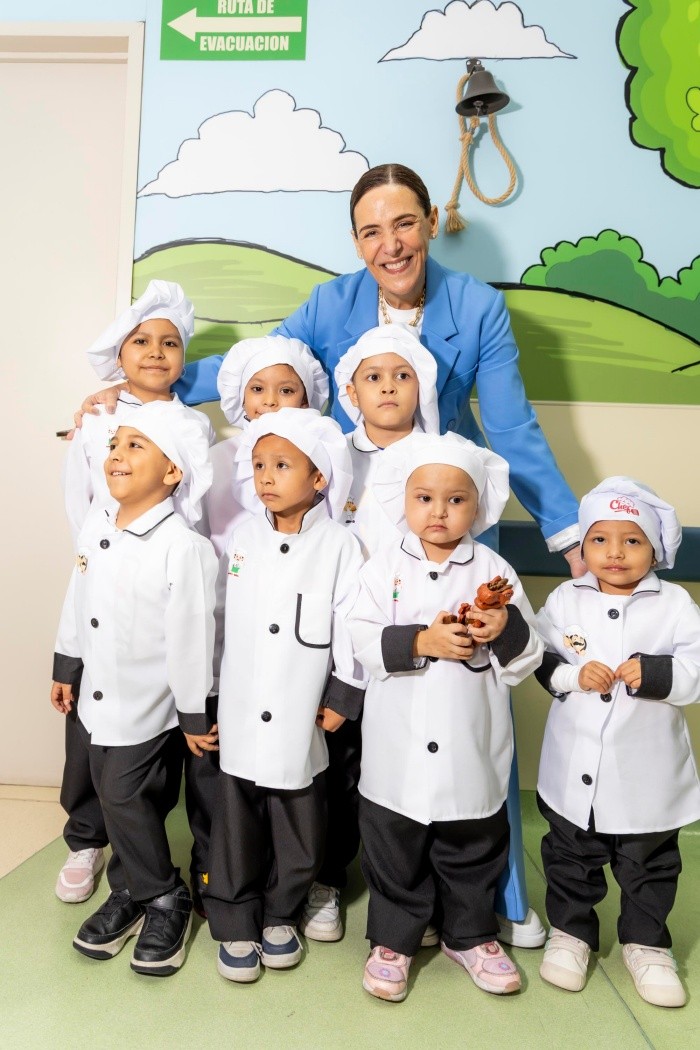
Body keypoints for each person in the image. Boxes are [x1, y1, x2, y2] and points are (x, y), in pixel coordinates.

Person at [76, 162, 583, 942]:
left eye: (405, 224)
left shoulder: (476, 306)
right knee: (340, 716)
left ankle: (494, 900)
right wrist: (150, 383)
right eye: (372, 231)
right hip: (348, 526)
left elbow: (512, 427)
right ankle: (328, 877)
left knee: (467, 711)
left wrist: (567, 533)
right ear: (355, 240)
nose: (391, 245)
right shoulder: (332, 303)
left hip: (438, 518)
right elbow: (261, 364)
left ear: (430, 223)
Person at [348, 432, 544, 1002]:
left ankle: (471, 934)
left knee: (472, 842)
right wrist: (421, 640)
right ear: (403, 501)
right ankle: (393, 940)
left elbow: (529, 657)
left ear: (477, 507)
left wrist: (502, 627)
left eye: (456, 500)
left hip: (470, 741)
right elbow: (358, 638)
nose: (439, 511)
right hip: (398, 742)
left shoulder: (495, 569)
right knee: (394, 843)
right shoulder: (382, 568)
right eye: (425, 498)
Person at [56, 280, 216, 910]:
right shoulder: (97, 420)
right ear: (119, 355)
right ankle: (86, 836)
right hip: (102, 575)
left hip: (162, 579)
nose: (155, 352)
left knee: (148, 733)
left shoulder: (193, 425)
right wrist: (106, 562)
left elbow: (198, 509)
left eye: (170, 343)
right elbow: (81, 506)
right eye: (141, 341)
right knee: (88, 732)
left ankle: (143, 856)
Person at [206, 408, 366, 983]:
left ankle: (281, 912)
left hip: (303, 706)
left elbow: (352, 623)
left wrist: (344, 691)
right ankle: (234, 918)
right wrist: (208, 692)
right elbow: (219, 617)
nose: (266, 477)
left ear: (319, 477)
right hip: (240, 704)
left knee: (300, 821)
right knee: (236, 823)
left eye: (281, 465)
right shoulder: (243, 539)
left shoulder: (340, 546)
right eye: (258, 466)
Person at [534, 478, 700, 1009]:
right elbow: (540, 658)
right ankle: (571, 934)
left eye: (632, 540)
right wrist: (572, 676)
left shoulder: (675, 604)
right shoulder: (564, 599)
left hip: (646, 772)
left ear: (655, 548)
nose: (615, 553)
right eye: (600, 540)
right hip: (573, 764)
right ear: (583, 546)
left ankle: (647, 945)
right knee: (569, 857)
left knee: (648, 864)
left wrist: (656, 673)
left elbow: (696, 670)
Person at [299, 323, 439, 944]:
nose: (388, 388)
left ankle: (412, 895)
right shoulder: (332, 455)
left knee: (409, 770)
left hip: (414, 644)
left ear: (421, 388)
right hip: (338, 644)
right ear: (351, 393)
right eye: (373, 378)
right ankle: (326, 879)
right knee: (337, 768)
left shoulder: (439, 458)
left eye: (402, 376)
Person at [208, 333, 328, 556]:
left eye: (286, 391)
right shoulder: (216, 459)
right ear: (241, 397)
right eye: (257, 389)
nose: (270, 401)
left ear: (305, 401)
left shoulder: (319, 457)